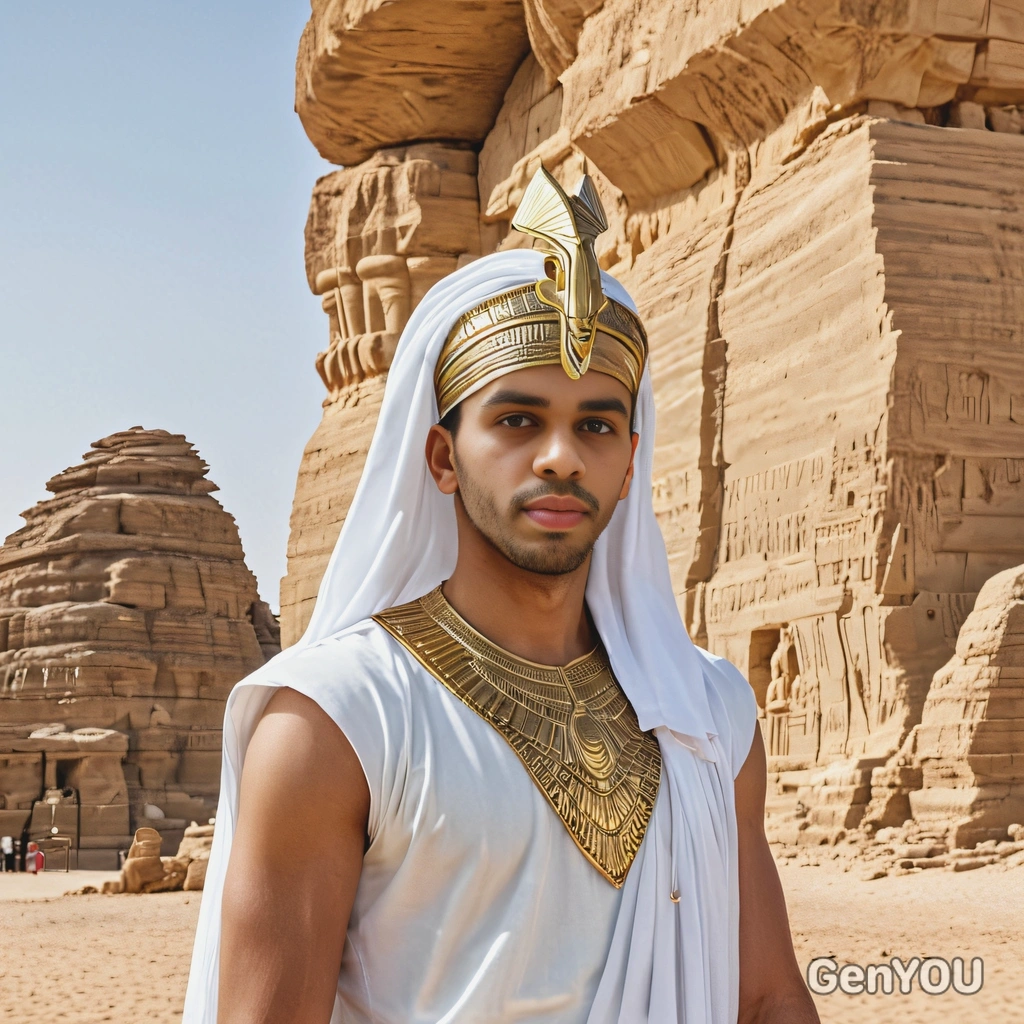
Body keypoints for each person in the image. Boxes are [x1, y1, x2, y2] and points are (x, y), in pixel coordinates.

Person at [183, 168, 819, 1023]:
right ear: (442, 457)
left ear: (630, 462)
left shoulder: (708, 717)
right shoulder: (338, 721)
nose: (561, 456)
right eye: (519, 420)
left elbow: (768, 996)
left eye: (596, 425)